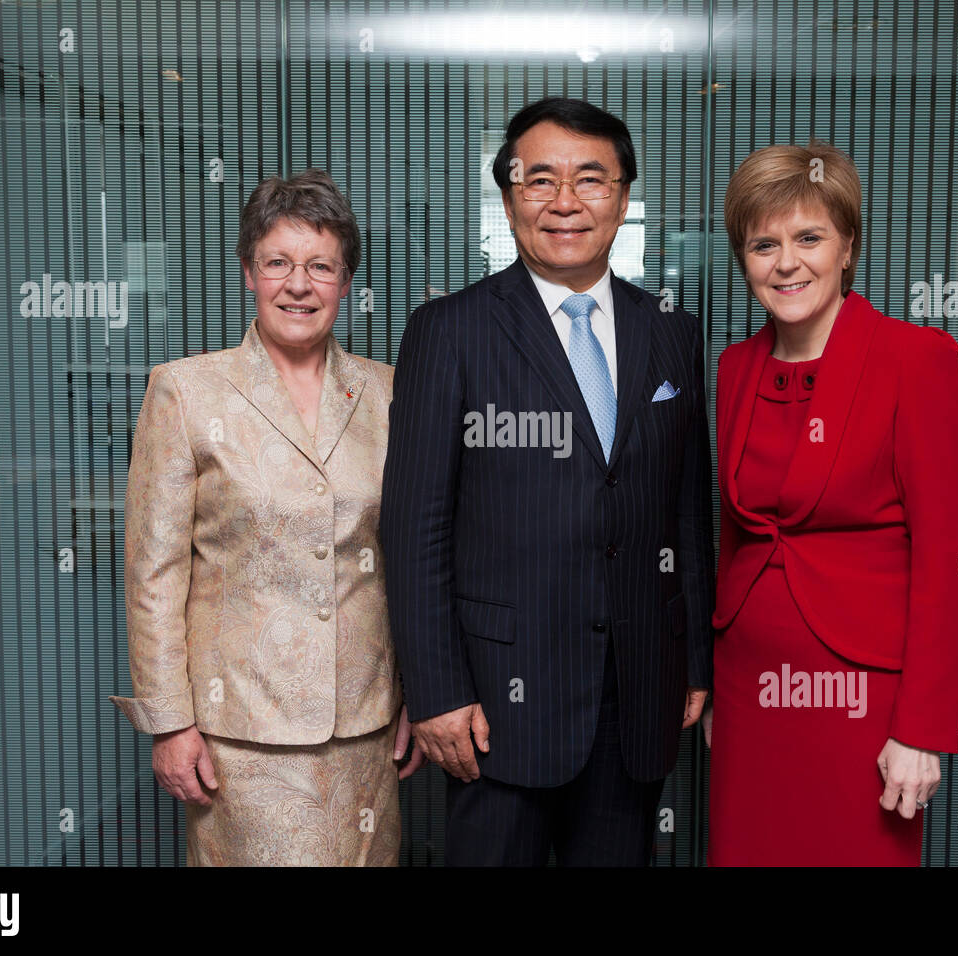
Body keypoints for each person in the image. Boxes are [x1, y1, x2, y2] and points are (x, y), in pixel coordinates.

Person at [381, 97, 714, 866]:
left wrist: (691, 658)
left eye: (591, 180)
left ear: (624, 198)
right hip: (496, 702)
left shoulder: (669, 328)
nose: (565, 202)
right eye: (540, 181)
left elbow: (685, 511)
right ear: (507, 198)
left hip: (636, 694)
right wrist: (435, 691)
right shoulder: (450, 330)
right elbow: (413, 527)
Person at [110, 170, 423, 866]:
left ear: (346, 281)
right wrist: (170, 724)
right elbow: (153, 573)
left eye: (321, 266)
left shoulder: (391, 393)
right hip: (238, 738)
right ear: (249, 271)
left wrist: (418, 695)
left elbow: (414, 556)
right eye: (277, 263)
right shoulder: (186, 391)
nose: (299, 284)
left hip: (365, 733)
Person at [706, 140, 958, 865]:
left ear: (848, 246)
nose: (786, 262)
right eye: (764, 244)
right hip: (750, 690)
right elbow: (736, 535)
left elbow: (949, 560)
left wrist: (921, 730)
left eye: (808, 238)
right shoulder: (736, 367)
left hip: (863, 700)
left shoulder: (916, 360)